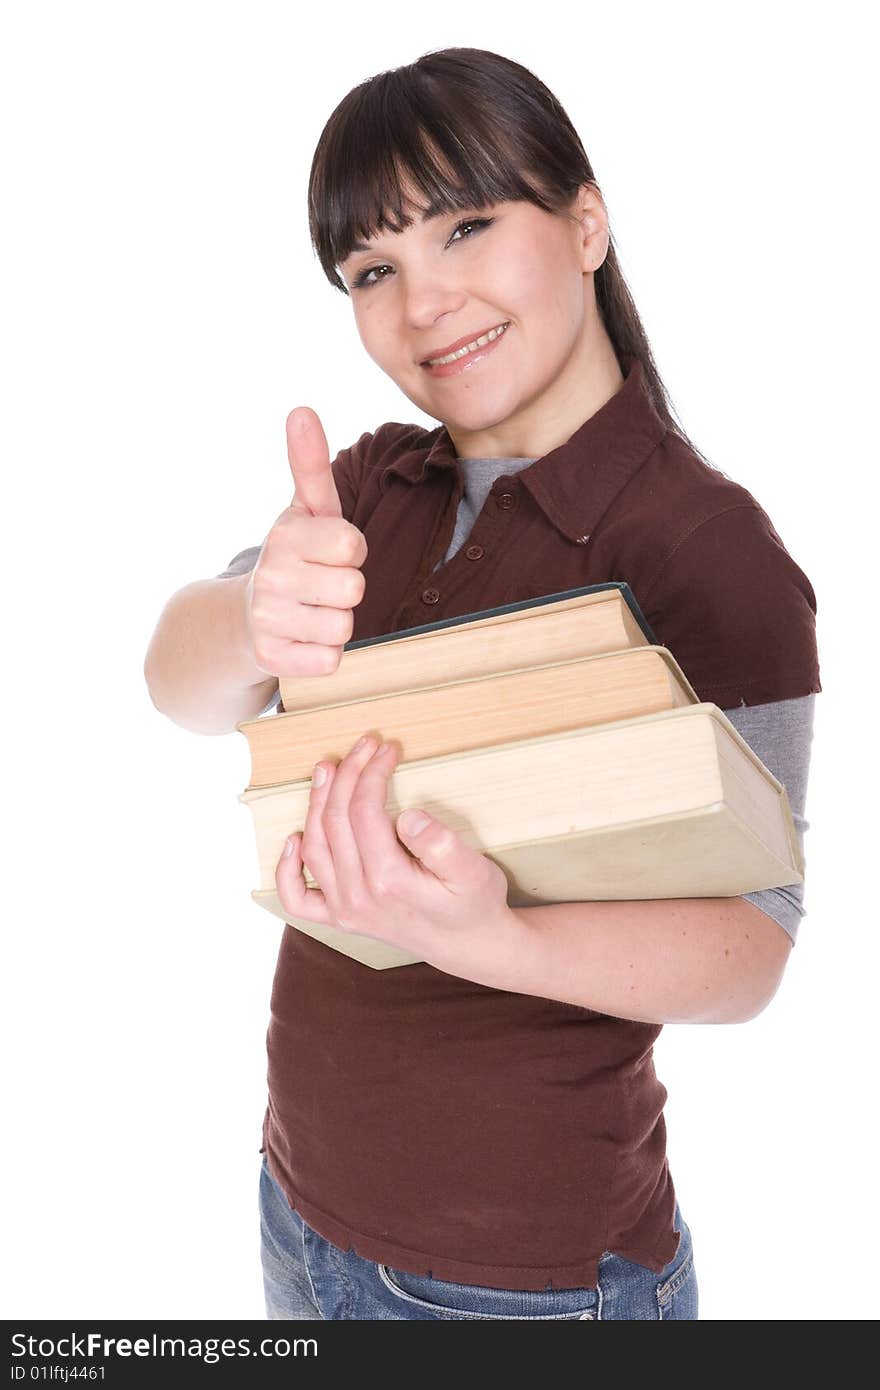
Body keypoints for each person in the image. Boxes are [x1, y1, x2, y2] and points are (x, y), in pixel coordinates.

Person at [143, 47, 820, 1320]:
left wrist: (485, 936)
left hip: (519, 1278)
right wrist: (250, 614)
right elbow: (180, 691)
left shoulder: (705, 550)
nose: (425, 303)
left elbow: (754, 946)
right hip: (301, 1211)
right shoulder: (361, 491)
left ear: (583, 220)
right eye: (372, 271)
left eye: (466, 226)